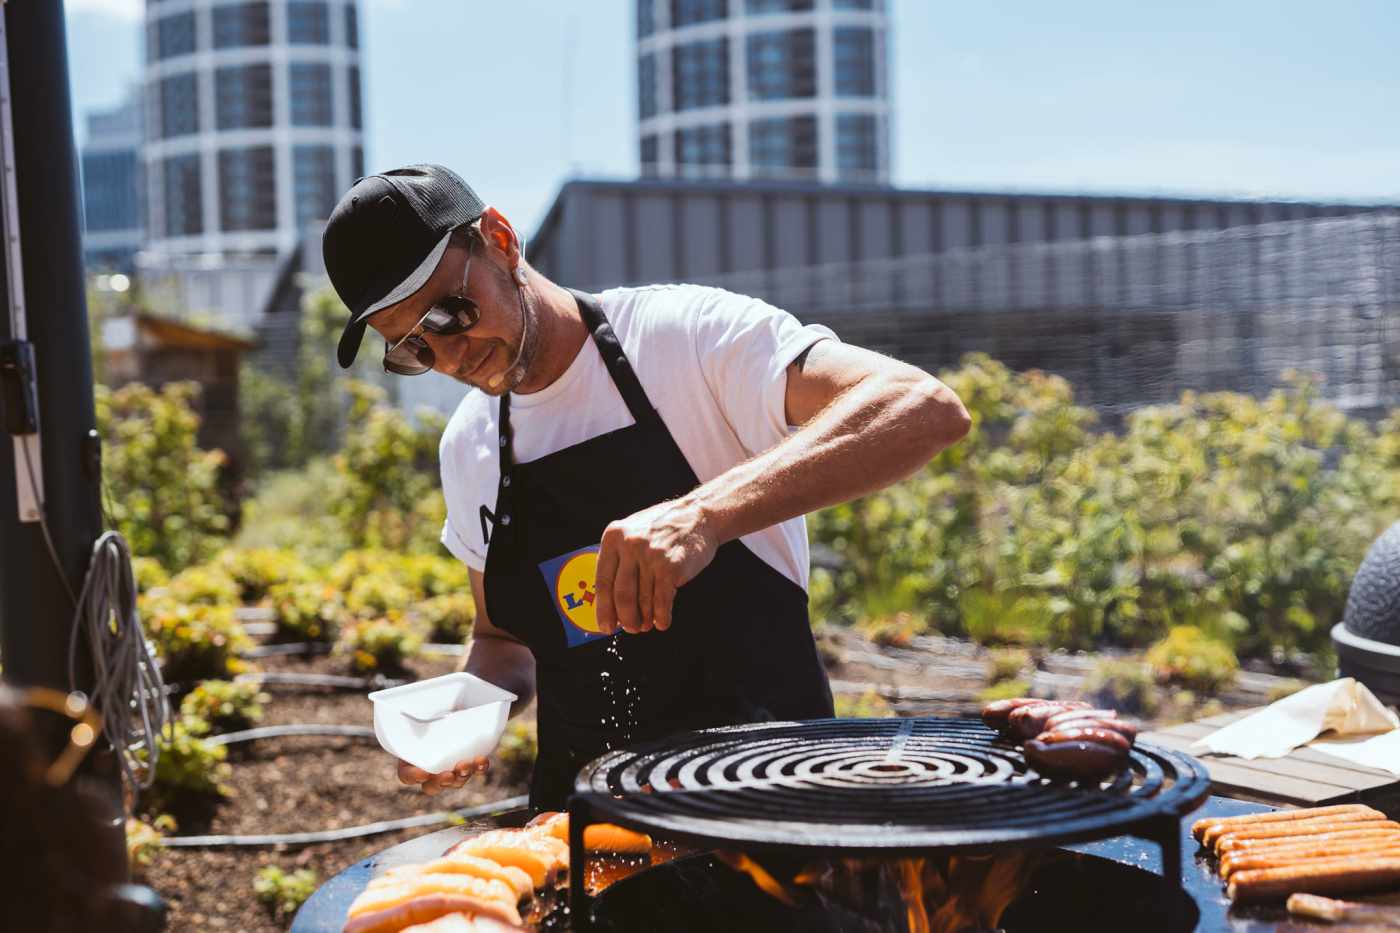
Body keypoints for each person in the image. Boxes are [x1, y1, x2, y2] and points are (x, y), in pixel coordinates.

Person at [323, 165, 972, 809]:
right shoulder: (470, 446)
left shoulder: (683, 340)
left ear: (499, 238)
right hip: (589, 837)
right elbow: (503, 640)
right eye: (412, 349)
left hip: (771, 821)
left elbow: (919, 406)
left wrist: (703, 515)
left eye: (448, 313)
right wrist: (466, 717)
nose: (451, 356)